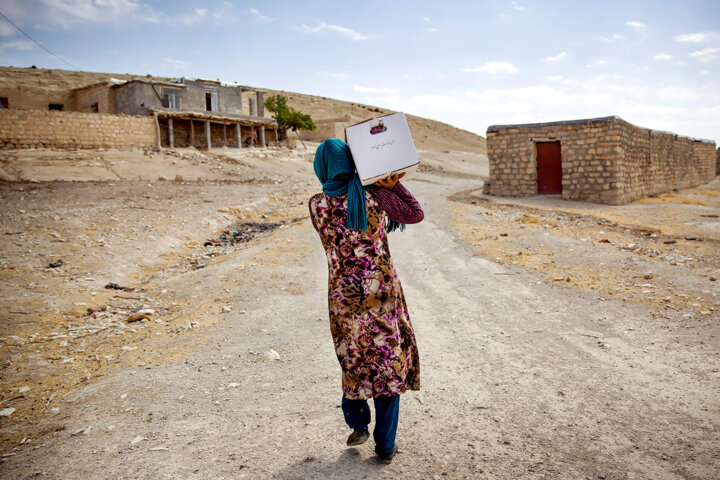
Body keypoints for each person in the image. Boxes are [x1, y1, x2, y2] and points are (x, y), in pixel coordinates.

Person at [308, 138, 424, 464]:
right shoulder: (374, 196)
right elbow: (414, 213)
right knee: (386, 358)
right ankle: (386, 446)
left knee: (353, 355)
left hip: (345, 298)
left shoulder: (317, 205)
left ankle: (358, 420)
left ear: (324, 166)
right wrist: (393, 184)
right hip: (382, 293)